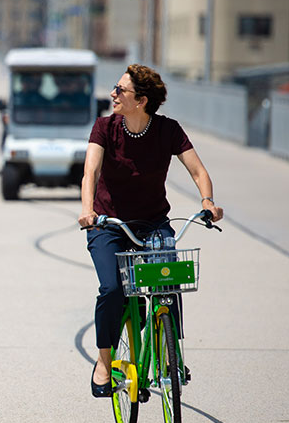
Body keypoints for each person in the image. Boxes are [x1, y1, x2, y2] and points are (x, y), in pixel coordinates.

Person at [77, 64, 223, 398]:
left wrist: (208, 201)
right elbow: (91, 172)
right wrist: (88, 210)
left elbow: (199, 171)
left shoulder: (168, 131)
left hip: (153, 223)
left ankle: (173, 356)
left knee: (169, 283)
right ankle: (103, 361)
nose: (112, 94)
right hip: (109, 225)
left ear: (141, 101)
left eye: (120, 90)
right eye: (114, 88)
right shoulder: (104, 127)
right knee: (112, 289)